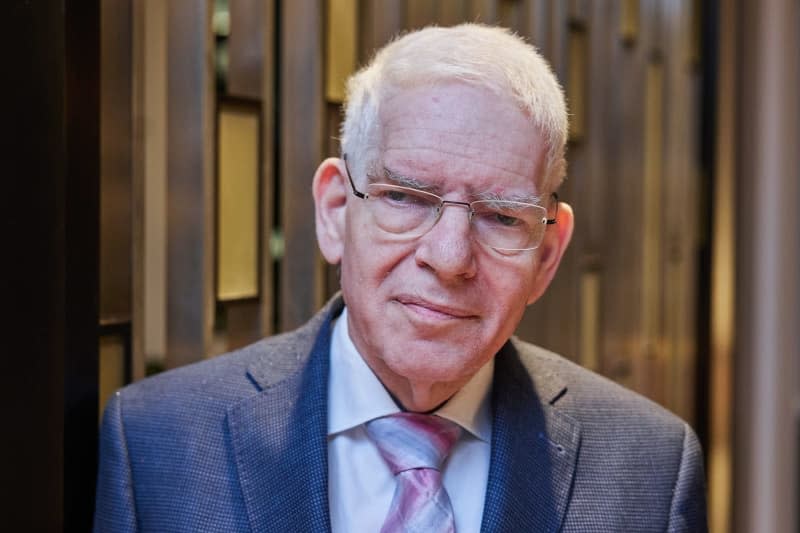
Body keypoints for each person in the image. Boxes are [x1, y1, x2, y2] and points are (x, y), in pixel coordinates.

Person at [94, 24, 707, 532]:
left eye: (500, 215)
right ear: (336, 212)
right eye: (407, 198)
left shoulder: (648, 471)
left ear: (547, 255)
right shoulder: (160, 445)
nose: (448, 258)